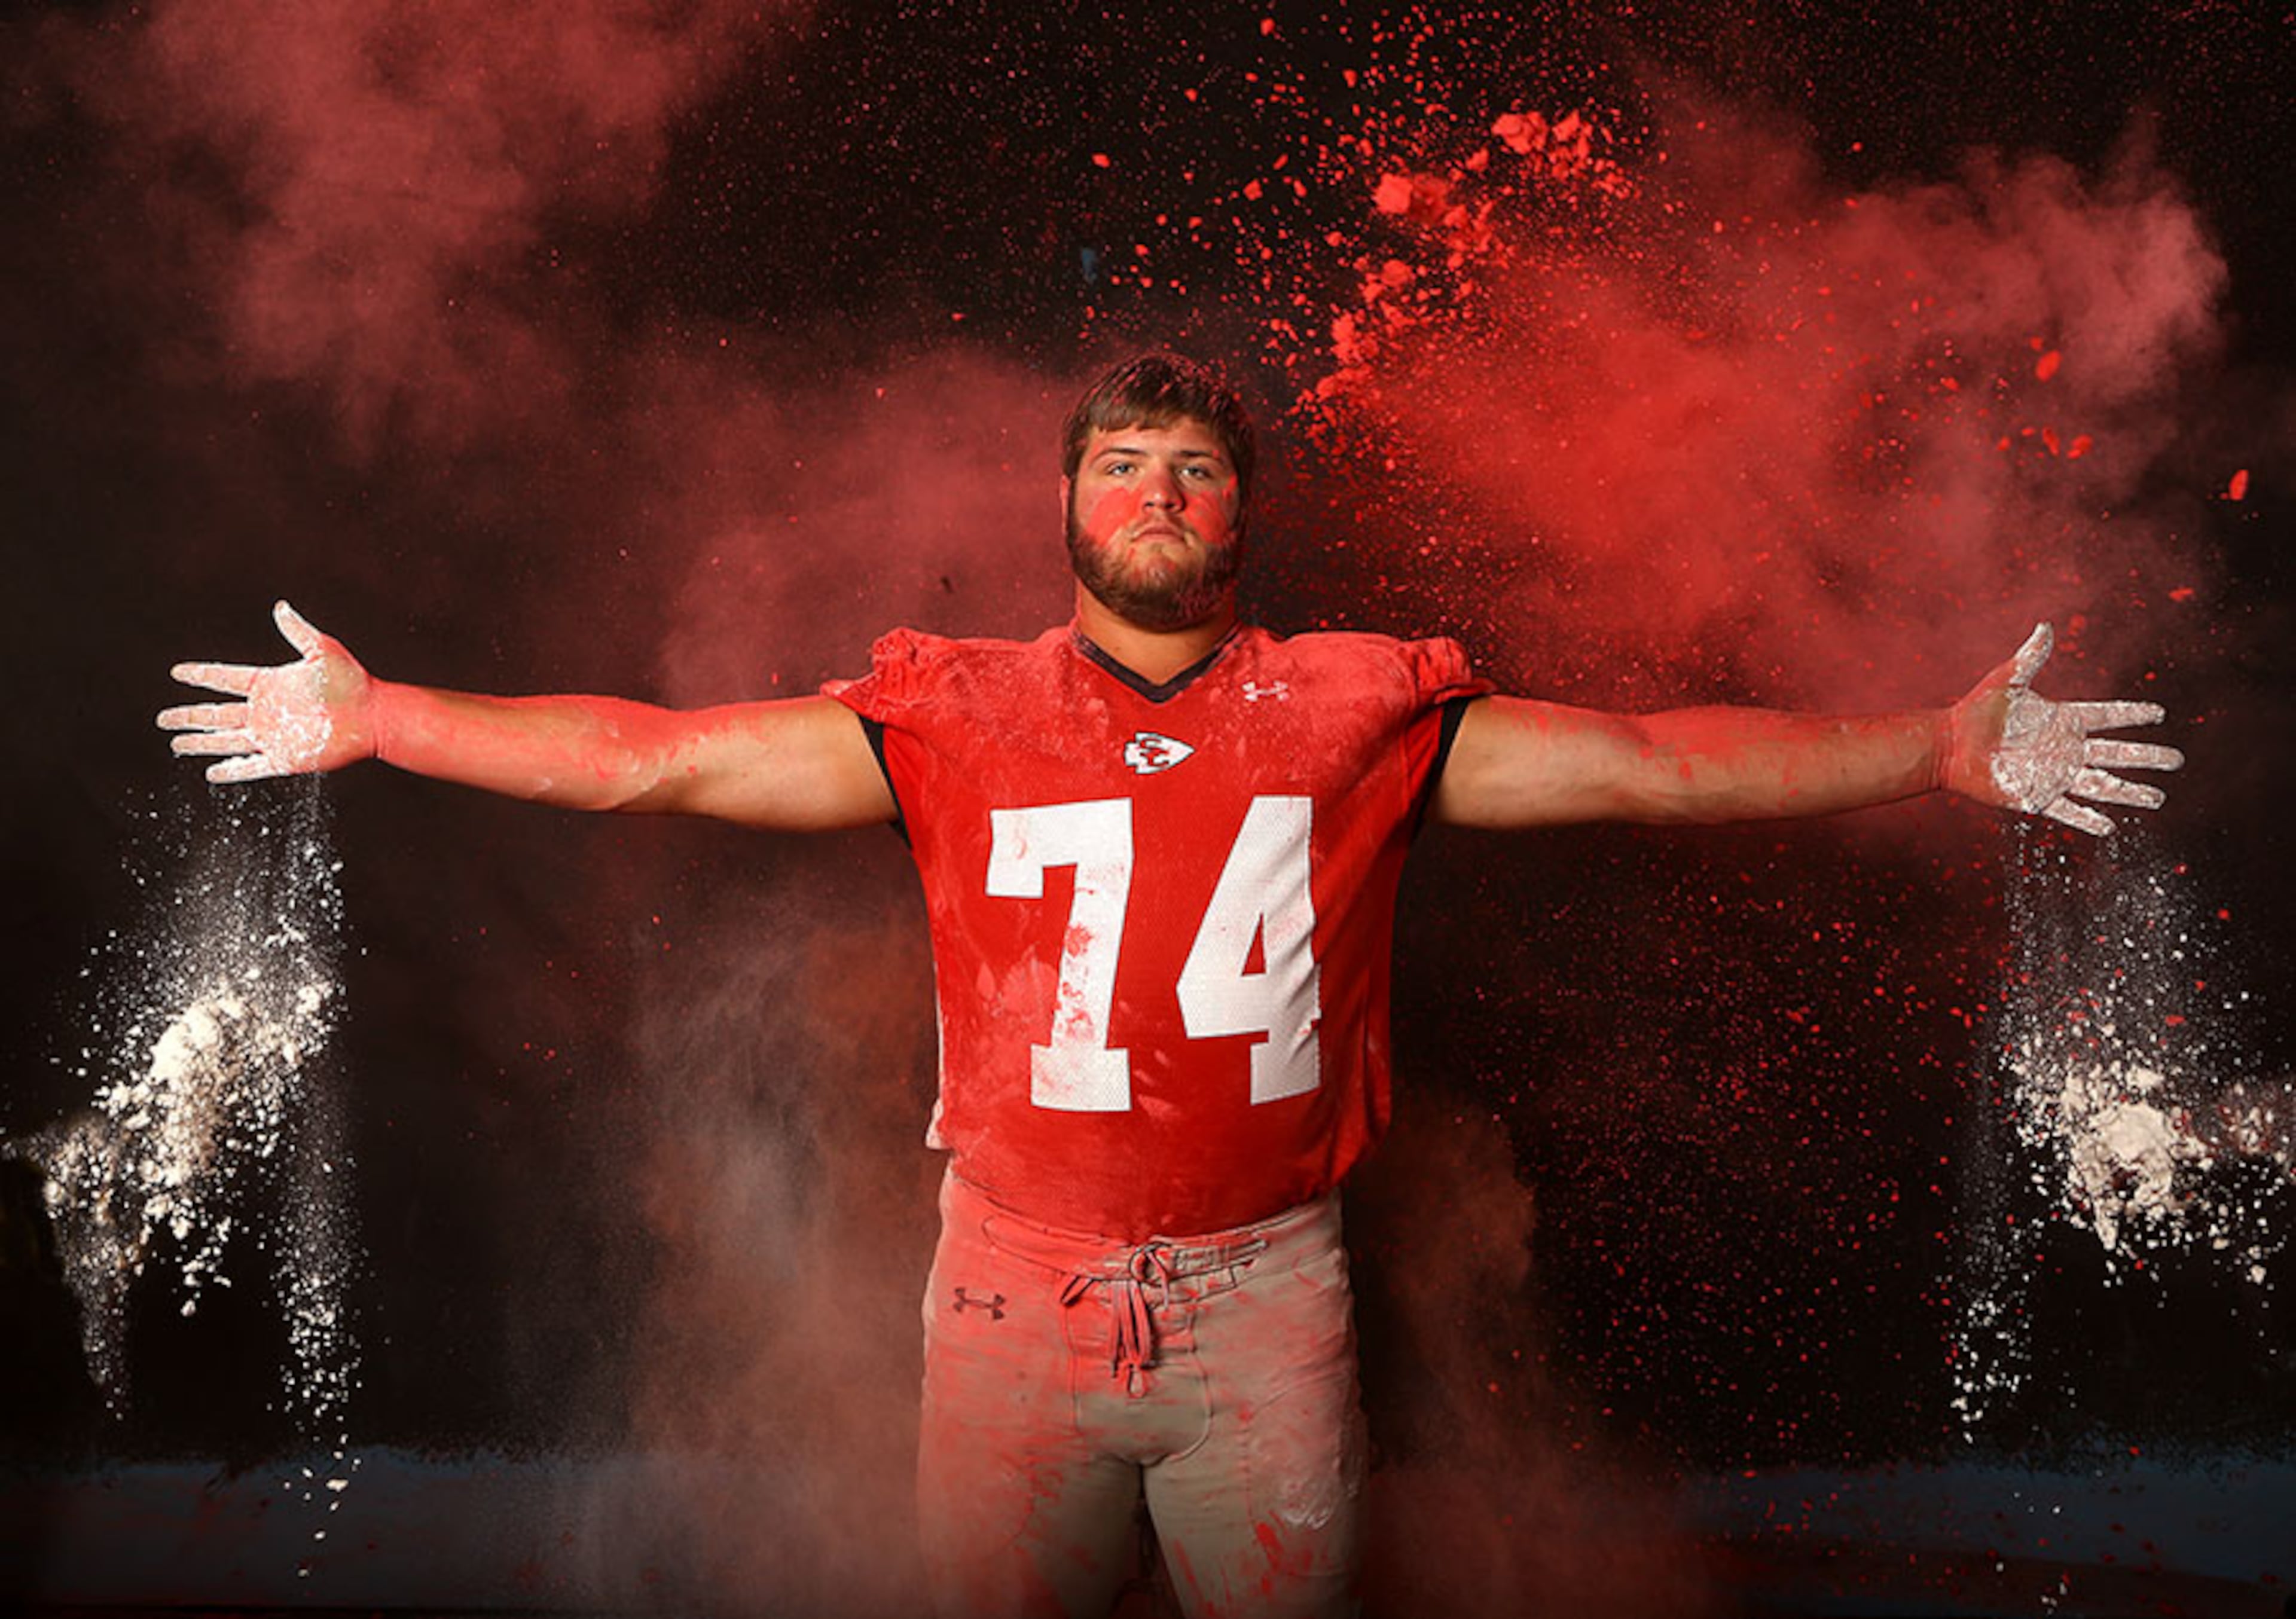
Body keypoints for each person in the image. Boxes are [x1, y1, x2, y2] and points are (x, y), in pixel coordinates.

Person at [158, 353, 2182, 1618]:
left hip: (1264, 1305)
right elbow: (654, 753)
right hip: (1008, 1296)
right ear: (1066, 507)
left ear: (1244, 516)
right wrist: (382, 718)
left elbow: (1656, 762)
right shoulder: (946, 709)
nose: (1158, 494)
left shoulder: (1356, 704)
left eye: (1196, 469)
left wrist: (1927, 745)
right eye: (1122, 463)